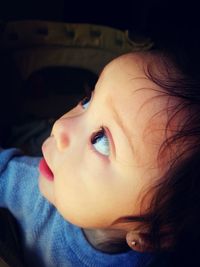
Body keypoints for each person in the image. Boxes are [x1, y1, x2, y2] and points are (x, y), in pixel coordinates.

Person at [0, 50, 200, 267]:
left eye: (101, 141)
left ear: (149, 236)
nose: (60, 126)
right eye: (87, 101)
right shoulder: (29, 188)